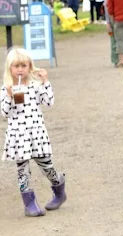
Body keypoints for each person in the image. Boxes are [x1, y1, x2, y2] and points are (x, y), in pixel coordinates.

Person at [1, 48, 66, 217]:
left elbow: (49, 102)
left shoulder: (35, 85)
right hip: (18, 136)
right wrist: (9, 96)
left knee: (47, 166)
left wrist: (45, 82)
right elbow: (4, 113)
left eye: (24, 65)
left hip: (36, 133)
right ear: (10, 68)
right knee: (22, 170)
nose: (20, 69)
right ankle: (29, 203)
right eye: (16, 66)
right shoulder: (6, 88)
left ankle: (59, 188)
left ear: (30, 66)